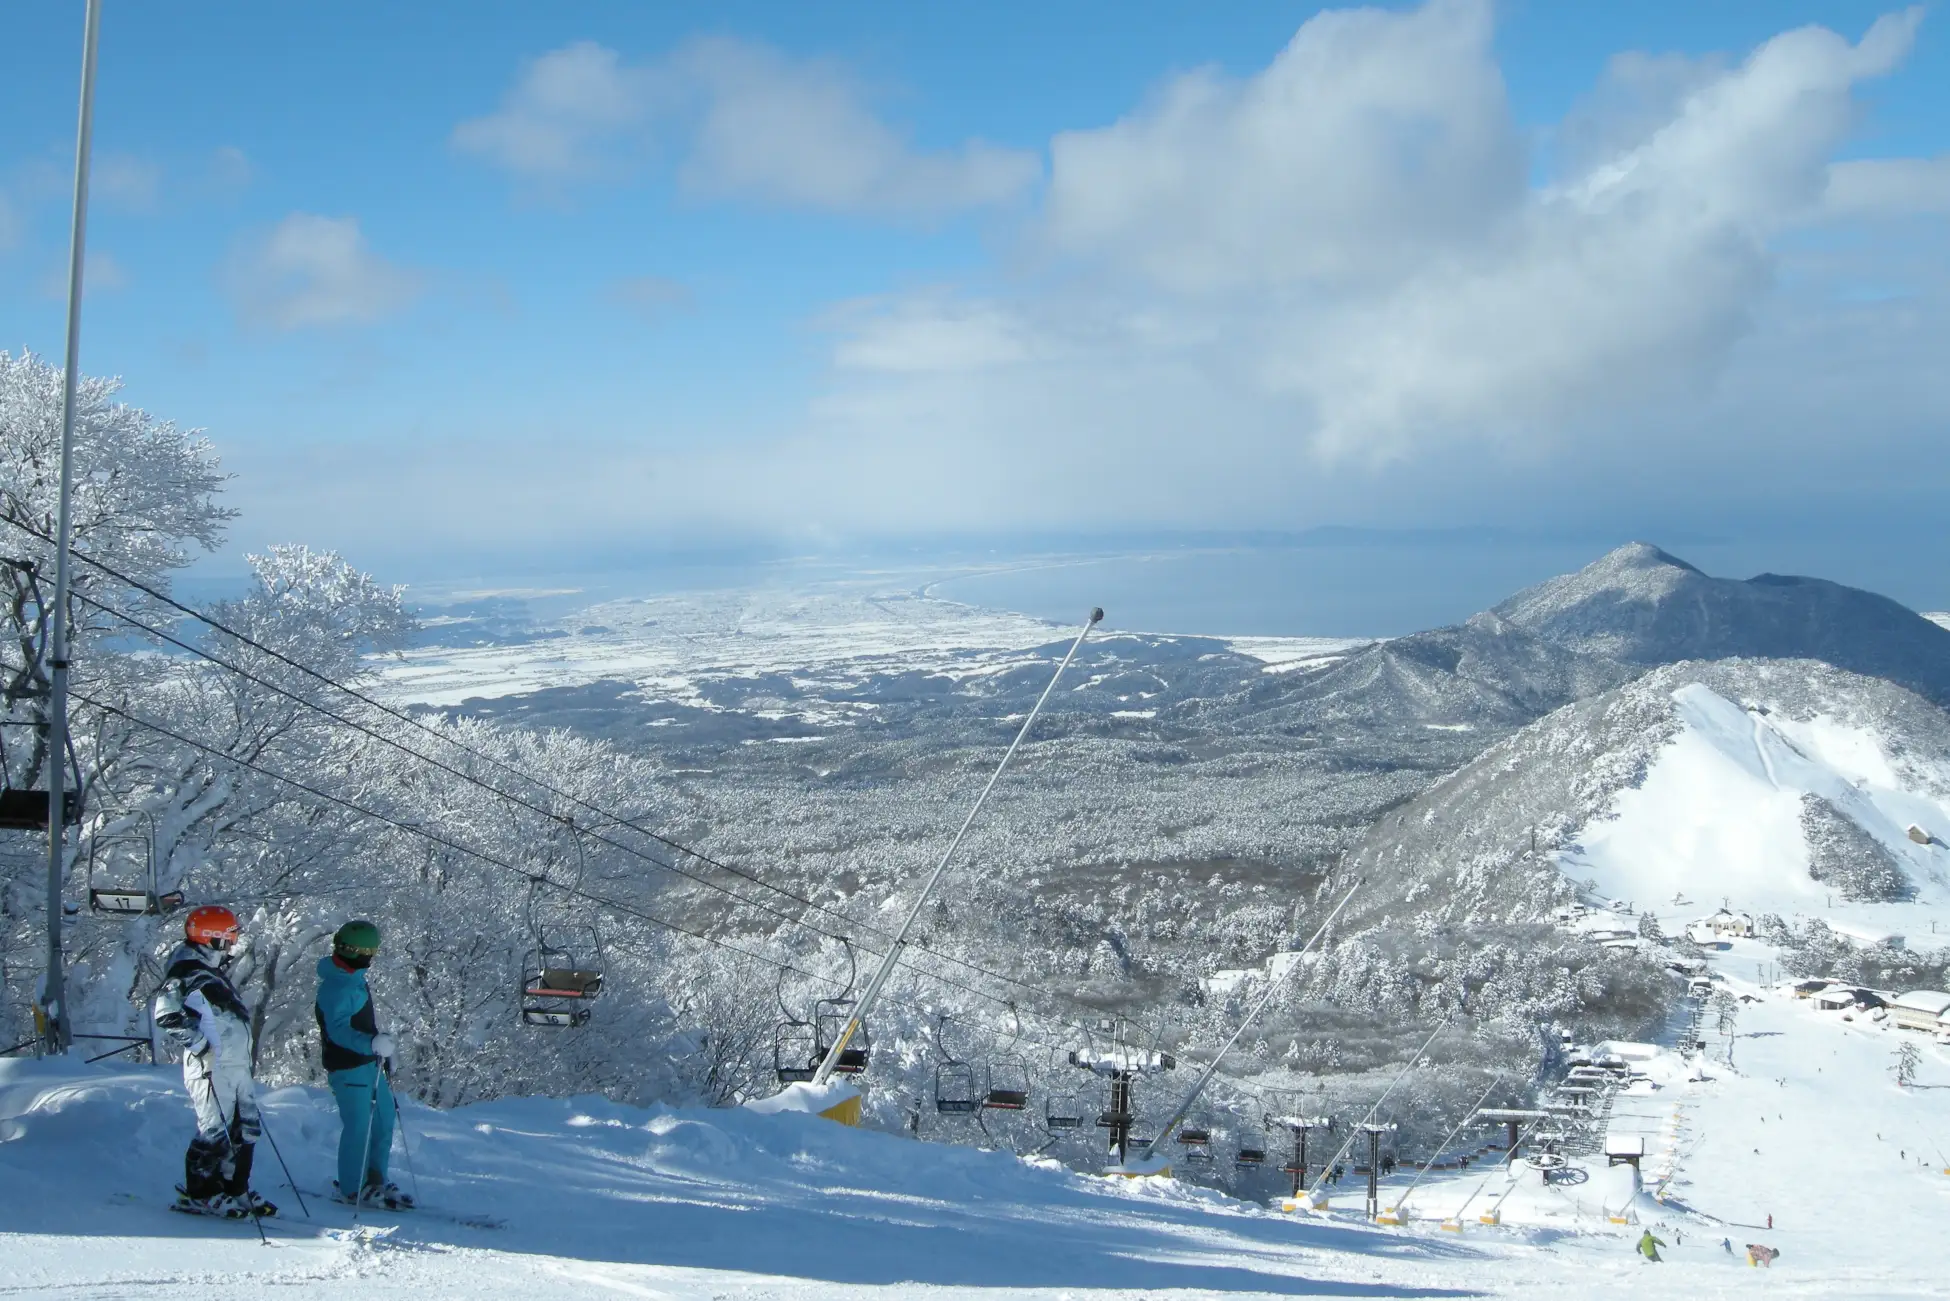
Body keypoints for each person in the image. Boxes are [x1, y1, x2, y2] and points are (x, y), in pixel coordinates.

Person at [152, 906, 275, 1218]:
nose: (232, 945)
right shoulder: (187, 972)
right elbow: (166, 1014)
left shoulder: (210, 972)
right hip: (211, 1065)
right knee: (215, 1131)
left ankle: (236, 1187)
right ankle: (200, 1192)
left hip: (235, 1065)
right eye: (228, 938)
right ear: (213, 939)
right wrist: (201, 1045)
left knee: (246, 1128)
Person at [315, 919, 412, 1209]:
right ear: (348, 950)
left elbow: (361, 1022)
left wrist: (381, 1049)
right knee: (359, 1125)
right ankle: (352, 1187)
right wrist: (370, 1044)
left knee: (384, 1119)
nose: (369, 959)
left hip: (370, 1064)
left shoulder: (353, 977)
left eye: (373, 952)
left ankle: (375, 1179)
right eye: (364, 952)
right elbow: (338, 1030)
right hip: (348, 1066)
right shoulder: (336, 987)